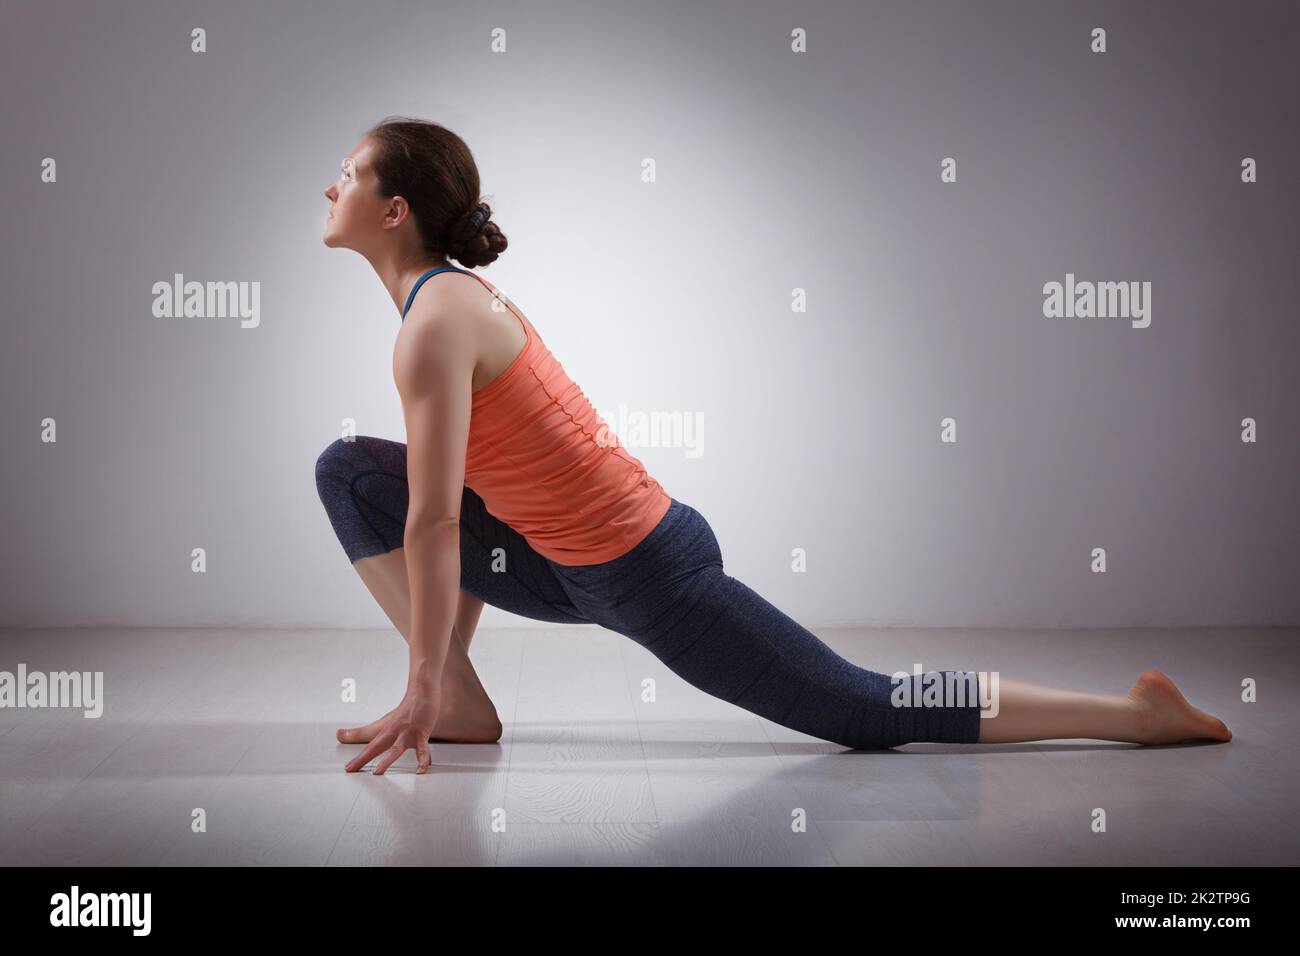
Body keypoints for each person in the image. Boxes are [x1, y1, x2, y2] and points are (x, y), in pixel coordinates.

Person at [315, 117, 1232, 775]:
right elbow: (456, 505)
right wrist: (445, 677)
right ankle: (467, 707)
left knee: (865, 711)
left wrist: (421, 679)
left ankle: (1133, 715)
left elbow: (436, 523)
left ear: (395, 211)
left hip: (643, 572)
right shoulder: (446, 301)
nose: (331, 185)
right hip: (567, 560)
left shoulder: (435, 321)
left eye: (349, 174)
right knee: (352, 472)